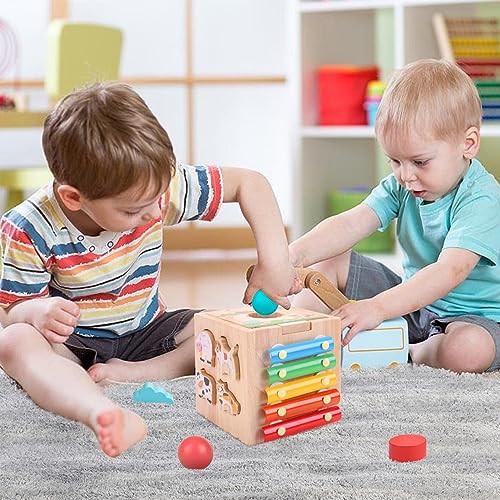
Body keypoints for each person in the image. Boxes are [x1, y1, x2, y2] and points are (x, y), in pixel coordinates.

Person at [0, 82, 297, 457]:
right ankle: (99, 410)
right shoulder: (28, 227)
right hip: (73, 345)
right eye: (134, 210)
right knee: (13, 343)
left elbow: (250, 183)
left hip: (149, 330)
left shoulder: (152, 190)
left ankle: (142, 371)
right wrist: (38, 313)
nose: (156, 213)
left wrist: (275, 263)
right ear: (73, 197)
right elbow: (11, 310)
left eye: (159, 199)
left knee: (236, 331)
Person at [289, 59, 499, 374]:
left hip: (475, 320)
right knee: (328, 261)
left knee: (468, 350)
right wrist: (293, 255)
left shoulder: (481, 199)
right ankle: (298, 340)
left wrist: (377, 308)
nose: (405, 175)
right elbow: (352, 222)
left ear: (468, 144)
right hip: (412, 304)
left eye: (420, 162)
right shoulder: (403, 184)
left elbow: (449, 271)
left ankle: (413, 353)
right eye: (394, 161)